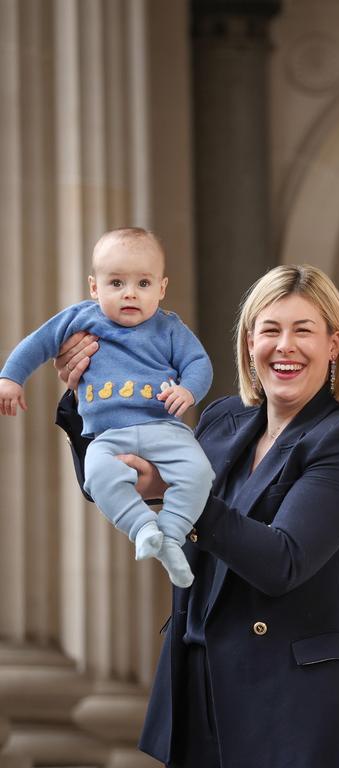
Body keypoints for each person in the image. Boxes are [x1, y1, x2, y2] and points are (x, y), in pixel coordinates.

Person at [54, 265, 339, 768]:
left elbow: (283, 561)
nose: (285, 346)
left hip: (296, 711)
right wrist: (88, 396)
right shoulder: (222, 419)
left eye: (304, 331)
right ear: (249, 342)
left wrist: (179, 492)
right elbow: (112, 484)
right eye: (270, 330)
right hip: (199, 693)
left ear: (334, 345)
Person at [0, 227, 213, 587]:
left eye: (143, 284)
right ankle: (143, 527)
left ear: (161, 288)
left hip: (164, 428)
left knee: (199, 472)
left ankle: (172, 534)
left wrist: (189, 391)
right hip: (108, 436)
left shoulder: (170, 328)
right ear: (94, 287)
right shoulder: (80, 318)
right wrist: (11, 378)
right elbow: (37, 344)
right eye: (116, 283)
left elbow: (199, 364)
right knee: (97, 475)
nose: (130, 293)